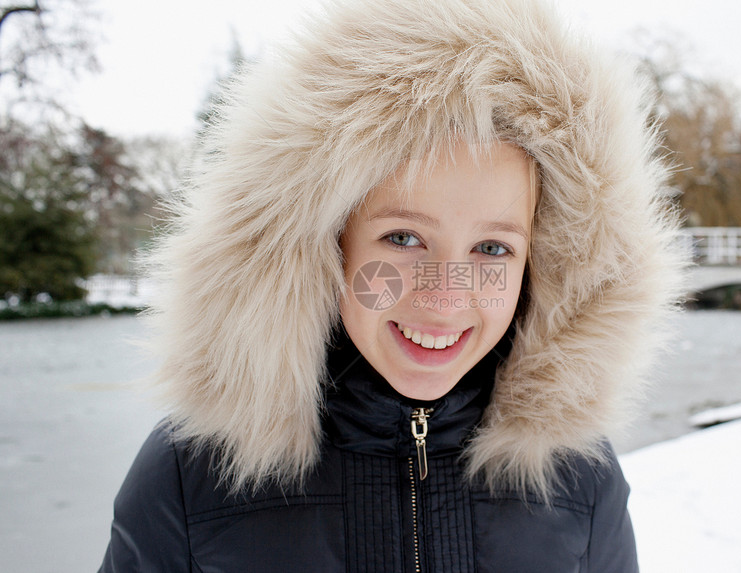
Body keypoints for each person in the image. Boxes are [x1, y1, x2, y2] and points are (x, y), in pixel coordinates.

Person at [99, 0, 685, 571]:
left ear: (541, 266)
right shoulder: (192, 475)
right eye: (403, 238)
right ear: (323, 246)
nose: (445, 297)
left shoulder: (580, 479)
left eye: (492, 248)